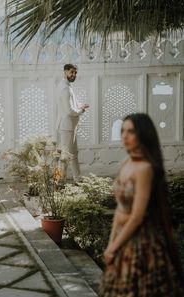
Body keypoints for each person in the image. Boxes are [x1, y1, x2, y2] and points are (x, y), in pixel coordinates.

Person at [99, 113, 184, 297]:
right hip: (122, 239)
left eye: (131, 131)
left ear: (143, 135)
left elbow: (136, 217)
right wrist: (111, 244)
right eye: (122, 131)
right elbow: (120, 210)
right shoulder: (126, 162)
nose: (125, 136)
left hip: (142, 243)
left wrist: (114, 248)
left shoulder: (145, 168)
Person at [56, 64, 89, 183]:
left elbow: (69, 105)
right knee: (65, 156)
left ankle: (78, 180)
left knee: (73, 154)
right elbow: (69, 111)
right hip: (67, 127)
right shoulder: (65, 88)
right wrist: (81, 110)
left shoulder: (65, 86)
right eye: (71, 72)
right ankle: (58, 182)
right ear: (65, 72)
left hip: (70, 126)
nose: (74, 75)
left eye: (75, 72)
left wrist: (79, 105)